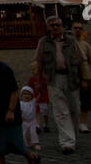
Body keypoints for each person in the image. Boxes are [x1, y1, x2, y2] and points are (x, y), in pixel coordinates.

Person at [34, 15, 83, 153]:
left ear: (62, 26)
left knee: (75, 110)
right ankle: (67, 143)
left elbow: (80, 61)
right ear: (48, 27)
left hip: (72, 78)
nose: (55, 27)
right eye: (52, 25)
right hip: (54, 78)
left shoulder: (71, 41)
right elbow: (39, 62)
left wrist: (85, 79)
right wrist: (38, 81)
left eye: (57, 25)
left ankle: (72, 136)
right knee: (60, 111)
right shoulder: (43, 42)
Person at [19, 84, 40, 152]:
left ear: (32, 95)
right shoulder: (20, 103)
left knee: (33, 132)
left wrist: (39, 91)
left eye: (28, 94)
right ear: (21, 96)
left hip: (32, 121)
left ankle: (35, 143)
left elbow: (38, 97)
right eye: (24, 94)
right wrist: (21, 116)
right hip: (24, 121)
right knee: (25, 133)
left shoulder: (33, 101)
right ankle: (27, 144)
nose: (26, 96)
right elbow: (19, 112)